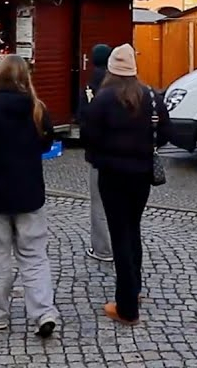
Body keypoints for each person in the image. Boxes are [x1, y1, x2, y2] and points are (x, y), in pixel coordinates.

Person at [0, 54, 59, 338]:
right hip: (29, 192)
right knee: (35, 256)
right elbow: (47, 142)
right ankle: (43, 311)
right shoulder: (37, 109)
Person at [80, 44, 170, 326]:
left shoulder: (104, 99)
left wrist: (103, 153)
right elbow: (166, 133)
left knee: (119, 235)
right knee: (133, 229)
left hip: (112, 175)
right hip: (142, 174)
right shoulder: (152, 97)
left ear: (111, 69)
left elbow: (88, 136)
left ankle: (127, 307)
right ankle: (135, 288)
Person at [80, 43, 113, 263]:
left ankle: (102, 249)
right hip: (122, 153)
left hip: (98, 154)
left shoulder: (90, 86)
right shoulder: (122, 85)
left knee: (99, 203)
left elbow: (82, 118)